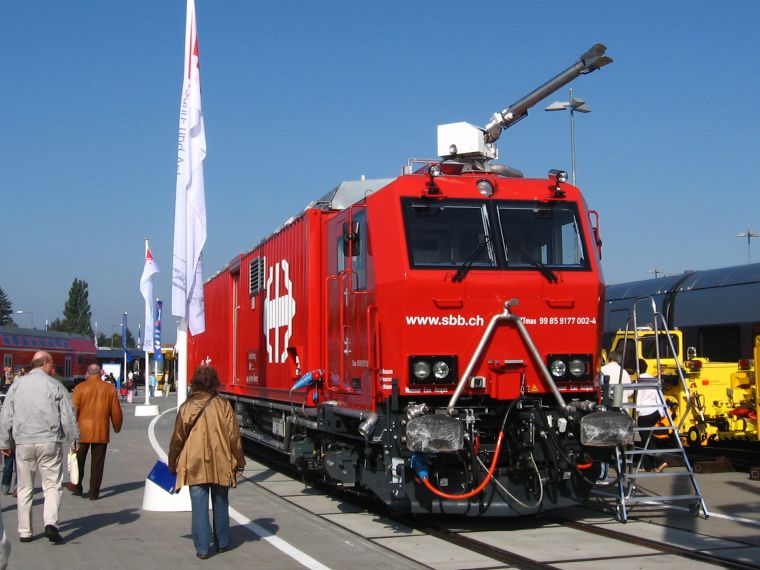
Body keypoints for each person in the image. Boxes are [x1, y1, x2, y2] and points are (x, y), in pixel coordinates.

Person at [0, 351, 79, 544]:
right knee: (52, 485)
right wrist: (74, 440)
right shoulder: (55, 385)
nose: (53, 369)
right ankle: (51, 524)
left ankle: (24, 531)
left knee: (25, 487)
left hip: (23, 442)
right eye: (52, 365)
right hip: (49, 442)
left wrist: (4, 442)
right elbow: (67, 417)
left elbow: (6, 415)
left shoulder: (17, 385)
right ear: (44, 364)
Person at [168, 366, 245, 560]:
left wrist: (172, 462)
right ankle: (223, 542)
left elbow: (177, 439)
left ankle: (202, 548)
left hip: (194, 463)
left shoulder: (187, 407)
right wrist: (240, 461)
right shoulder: (224, 405)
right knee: (221, 502)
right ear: (214, 382)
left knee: (199, 506)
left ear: (195, 383)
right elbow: (234, 437)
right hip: (221, 461)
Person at [71, 363, 123, 500]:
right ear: (100, 373)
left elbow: (73, 412)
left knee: (78, 461)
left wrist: (71, 430)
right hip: (101, 431)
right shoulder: (109, 389)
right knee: (98, 463)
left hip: (81, 431)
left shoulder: (79, 388)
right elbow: (116, 411)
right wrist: (116, 426)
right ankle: (94, 492)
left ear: (87, 373)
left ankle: (77, 487)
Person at [635, 359, 668, 472]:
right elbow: (659, 395)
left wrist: (636, 413)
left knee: (646, 439)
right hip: (656, 411)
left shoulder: (640, 381)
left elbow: (638, 399)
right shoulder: (652, 378)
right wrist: (662, 411)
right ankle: (648, 465)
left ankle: (660, 460)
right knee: (646, 438)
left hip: (645, 412)